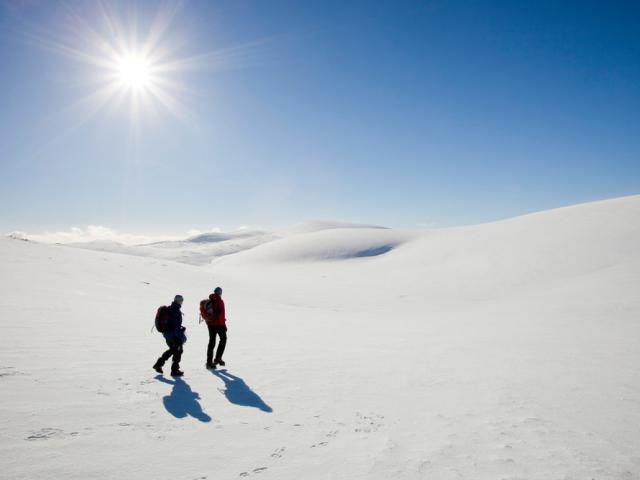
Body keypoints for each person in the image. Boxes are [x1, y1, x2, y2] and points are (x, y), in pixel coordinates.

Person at [153, 295, 186, 376]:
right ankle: (174, 370)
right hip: (174, 335)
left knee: (172, 350)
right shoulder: (176, 311)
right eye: (182, 300)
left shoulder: (170, 308)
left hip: (167, 334)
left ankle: (159, 364)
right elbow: (176, 326)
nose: (182, 302)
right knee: (178, 351)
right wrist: (179, 336)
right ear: (179, 301)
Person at [205, 287, 227, 369]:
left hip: (210, 324)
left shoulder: (209, 300)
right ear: (220, 293)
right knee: (223, 339)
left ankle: (209, 362)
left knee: (212, 342)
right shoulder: (219, 301)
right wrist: (223, 325)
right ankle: (218, 358)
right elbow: (221, 314)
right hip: (218, 324)